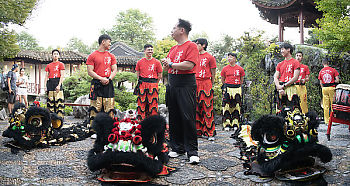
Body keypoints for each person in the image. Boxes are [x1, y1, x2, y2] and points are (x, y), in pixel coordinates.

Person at [161, 19, 199, 164]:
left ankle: (192, 151)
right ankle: (177, 147)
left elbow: (189, 65)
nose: (172, 30)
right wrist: (166, 64)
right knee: (174, 117)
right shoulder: (173, 48)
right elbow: (168, 68)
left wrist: (170, 63)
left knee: (187, 117)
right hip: (172, 84)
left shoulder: (191, 46)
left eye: (174, 28)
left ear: (182, 30)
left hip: (186, 84)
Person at [86, 34, 118, 128]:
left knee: (109, 107)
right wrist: (101, 78)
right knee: (95, 107)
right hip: (96, 84)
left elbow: (114, 69)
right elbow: (90, 71)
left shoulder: (111, 56)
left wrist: (109, 79)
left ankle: (109, 129)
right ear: (103, 42)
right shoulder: (92, 56)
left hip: (108, 83)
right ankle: (94, 129)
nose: (110, 44)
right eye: (109, 42)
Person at [193, 38, 217, 141]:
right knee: (196, 107)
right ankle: (198, 130)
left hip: (206, 82)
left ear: (203, 45)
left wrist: (211, 83)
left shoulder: (210, 57)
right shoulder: (193, 56)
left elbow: (213, 71)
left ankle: (209, 132)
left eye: (197, 44)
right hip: (194, 83)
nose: (195, 46)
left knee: (207, 107)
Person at [135, 44, 163, 121]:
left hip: (153, 84)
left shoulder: (157, 62)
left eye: (151, 49)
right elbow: (137, 73)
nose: (150, 51)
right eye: (148, 50)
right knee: (141, 103)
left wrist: (155, 83)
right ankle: (141, 121)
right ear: (144, 51)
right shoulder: (140, 62)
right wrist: (141, 81)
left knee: (153, 103)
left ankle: (153, 121)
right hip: (142, 83)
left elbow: (160, 74)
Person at [273, 43, 301, 114]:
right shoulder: (280, 64)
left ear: (288, 50)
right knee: (280, 111)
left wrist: (284, 86)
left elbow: (295, 77)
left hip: (291, 88)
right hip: (281, 89)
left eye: (282, 49)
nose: (281, 51)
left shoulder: (295, 62)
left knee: (293, 111)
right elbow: (275, 77)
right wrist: (279, 87)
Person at [221, 53, 245, 131]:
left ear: (235, 58)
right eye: (228, 57)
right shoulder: (225, 68)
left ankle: (235, 123)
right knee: (226, 106)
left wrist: (237, 86)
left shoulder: (240, 69)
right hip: (228, 88)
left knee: (237, 106)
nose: (229, 59)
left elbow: (242, 79)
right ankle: (227, 124)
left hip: (237, 88)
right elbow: (222, 79)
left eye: (231, 57)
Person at [44, 49, 65, 121]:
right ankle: (51, 119)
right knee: (50, 102)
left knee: (59, 102)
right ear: (52, 55)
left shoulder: (61, 64)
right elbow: (46, 76)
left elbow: (62, 75)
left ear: (59, 56)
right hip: (50, 83)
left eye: (57, 54)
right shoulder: (48, 65)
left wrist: (59, 85)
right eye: (54, 54)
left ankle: (60, 120)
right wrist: (45, 86)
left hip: (57, 81)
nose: (55, 55)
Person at [318, 58, 339, 124]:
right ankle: (334, 120)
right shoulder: (333, 70)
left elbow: (320, 82)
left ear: (322, 63)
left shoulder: (321, 71)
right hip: (331, 88)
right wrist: (333, 81)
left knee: (326, 105)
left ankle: (327, 121)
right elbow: (337, 80)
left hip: (324, 88)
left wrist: (322, 88)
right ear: (328, 63)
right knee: (333, 104)